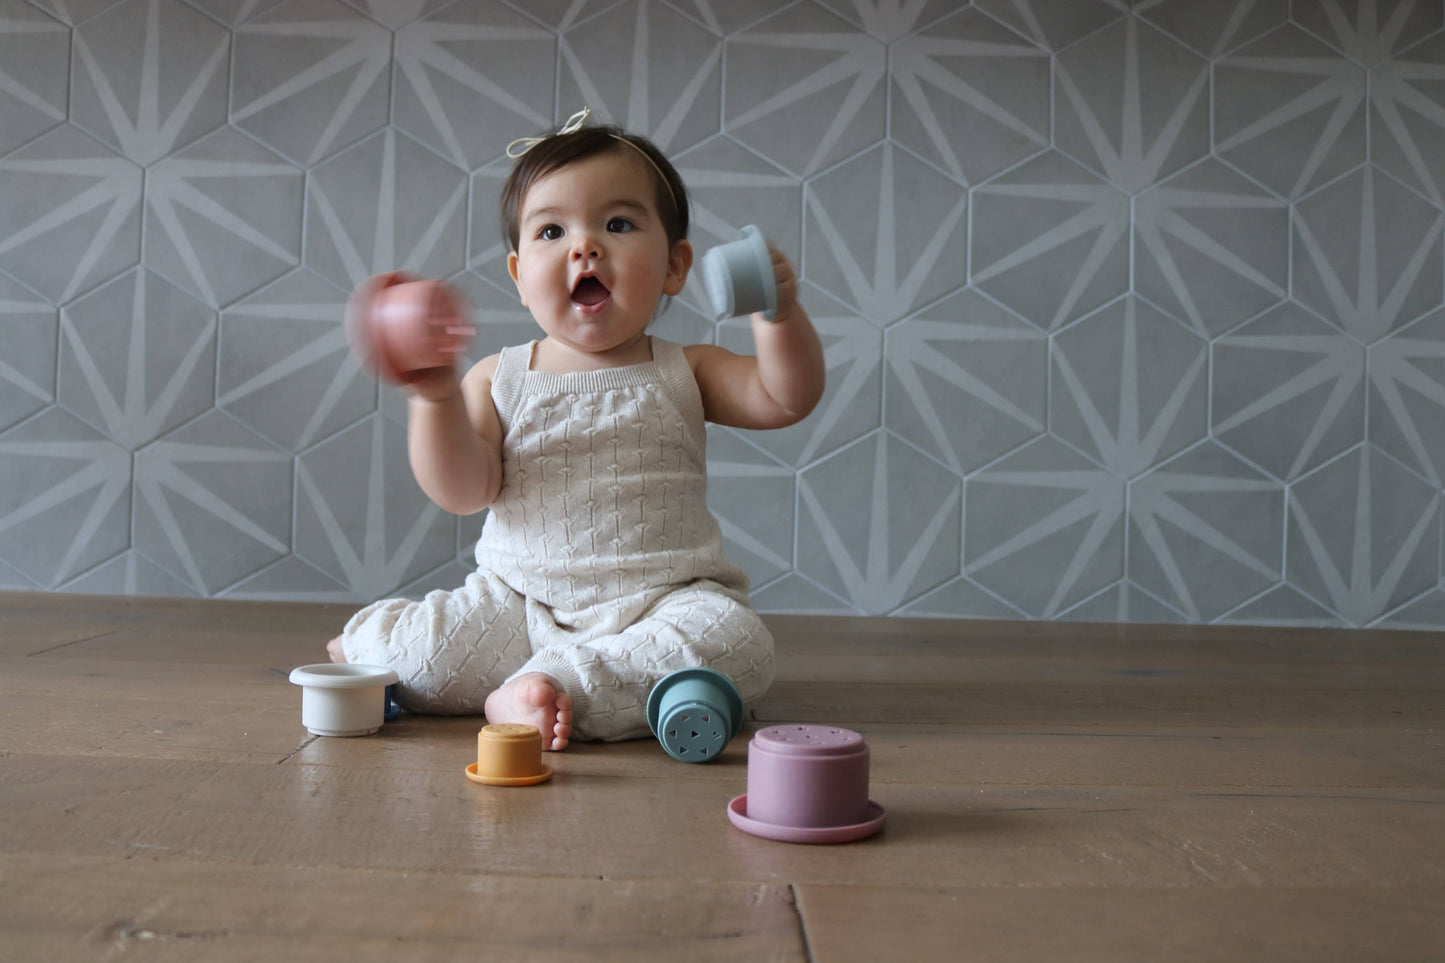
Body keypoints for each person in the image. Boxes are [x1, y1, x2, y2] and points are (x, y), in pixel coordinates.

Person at [327, 110, 825, 751]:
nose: (583, 246)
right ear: (518, 277)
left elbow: (785, 397)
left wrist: (778, 316)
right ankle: (371, 644)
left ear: (675, 267)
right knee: (428, 650)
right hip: (517, 604)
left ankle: (538, 689)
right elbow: (462, 488)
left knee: (742, 646)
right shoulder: (495, 378)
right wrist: (434, 394)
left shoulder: (684, 369)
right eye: (552, 230)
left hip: (665, 600)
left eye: (618, 224)